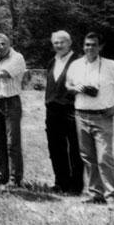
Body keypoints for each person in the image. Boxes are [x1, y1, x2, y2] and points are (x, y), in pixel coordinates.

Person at [65, 32, 114, 206]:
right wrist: (76, 87)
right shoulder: (75, 65)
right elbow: (68, 85)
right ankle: (95, 193)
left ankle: (112, 196)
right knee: (87, 157)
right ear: (83, 45)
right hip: (81, 115)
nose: (89, 48)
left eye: (93, 45)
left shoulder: (111, 66)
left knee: (104, 157)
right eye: (87, 44)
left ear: (101, 47)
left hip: (102, 116)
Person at [44, 30, 83, 195]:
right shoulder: (52, 61)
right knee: (56, 148)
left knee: (75, 149)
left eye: (62, 42)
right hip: (52, 111)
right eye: (55, 43)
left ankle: (76, 186)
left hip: (71, 110)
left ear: (70, 43)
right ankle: (61, 182)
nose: (58, 45)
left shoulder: (79, 62)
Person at [0, 33, 26, 188]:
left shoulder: (17, 57)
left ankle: (15, 178)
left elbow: (4, 74)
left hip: (12, 102)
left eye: (3, 43)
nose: (1, 47)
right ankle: (1, 175)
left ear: (9, 43)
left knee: (13, 143)